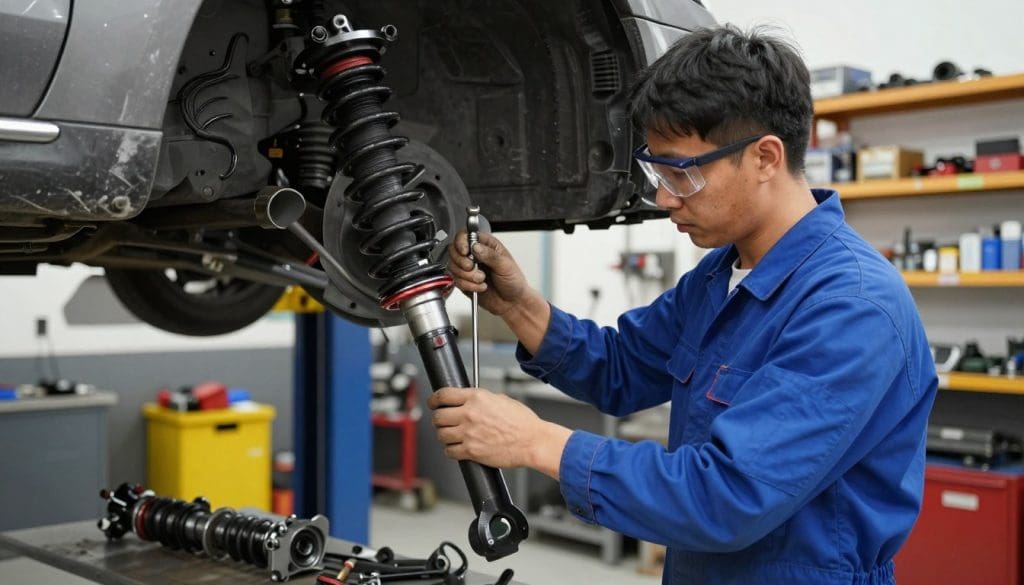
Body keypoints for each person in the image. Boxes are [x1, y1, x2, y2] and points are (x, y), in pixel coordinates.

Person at [428, 25, 937, 585]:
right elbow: (622, 368)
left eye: (682, 173)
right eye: (656, 172)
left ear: (765, 157)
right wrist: (520, 305)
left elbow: (726, 497)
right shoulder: (721, 274)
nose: (665, 198)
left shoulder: (851, 307)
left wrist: (535, 441)